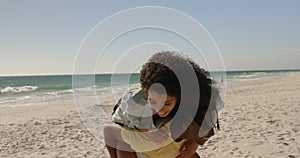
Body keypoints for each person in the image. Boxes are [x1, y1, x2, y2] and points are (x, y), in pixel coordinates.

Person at [104, 51, 223, 158]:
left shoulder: (187, 102)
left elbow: (209, 118)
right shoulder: (138, 107)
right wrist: (146, 130)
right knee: (122, 143)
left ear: (180, 97)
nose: (160, 109)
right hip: (127, 114)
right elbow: (110, 131)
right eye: (154, 101)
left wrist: (194, 144)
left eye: (167, 103)